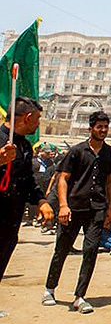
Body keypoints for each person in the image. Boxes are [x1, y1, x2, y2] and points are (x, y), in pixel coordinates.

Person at [43, 110, 111, 313]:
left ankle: (80, 296)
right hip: (73, 207)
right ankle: (50, 289)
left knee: (91, 250)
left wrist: (110, 208)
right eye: (99, 127)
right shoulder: (76, 151)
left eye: (106, 127)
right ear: (91, 128)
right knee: (62, 248)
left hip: (97, 208)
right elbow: (63, 179)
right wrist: (63, 205)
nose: (103, 130)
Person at [0, 98, 54, 282]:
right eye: (37, 119)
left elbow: (27, 180)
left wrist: (41, 200)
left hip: (10, 223)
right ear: (28, 117)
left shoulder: (25, 146)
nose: (38, 124)